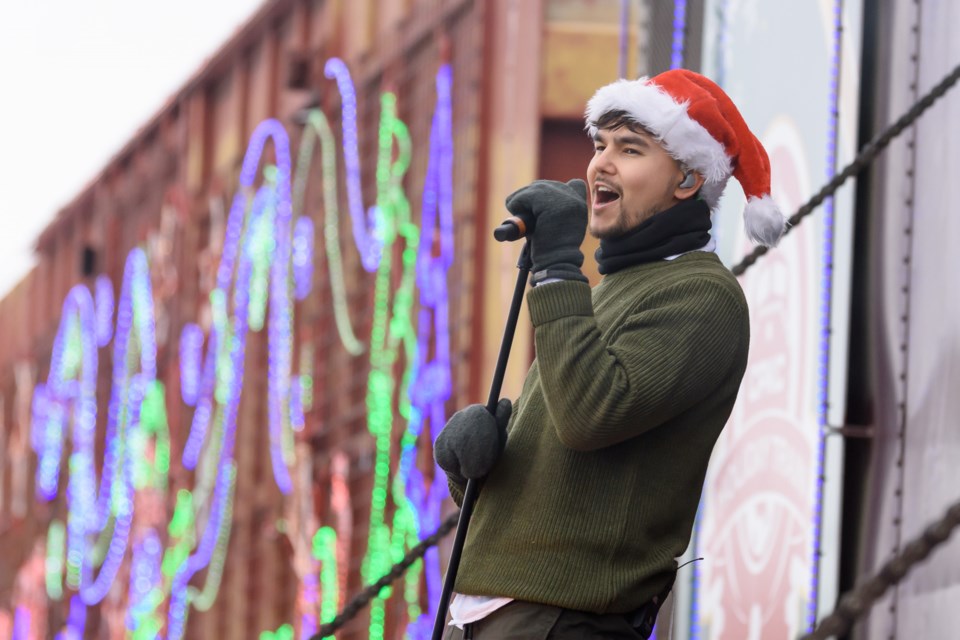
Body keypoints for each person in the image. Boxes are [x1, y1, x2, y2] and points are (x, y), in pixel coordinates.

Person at [434, 68, 786, 639]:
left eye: (630, 148)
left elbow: (589, 415)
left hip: (560, 620)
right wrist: (476, 467)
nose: (601, 162)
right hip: (492, 614)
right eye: (600, 144)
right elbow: (574, 477)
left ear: (689, 180)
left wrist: (553, 264)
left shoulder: (702, 295)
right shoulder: (605, 294)